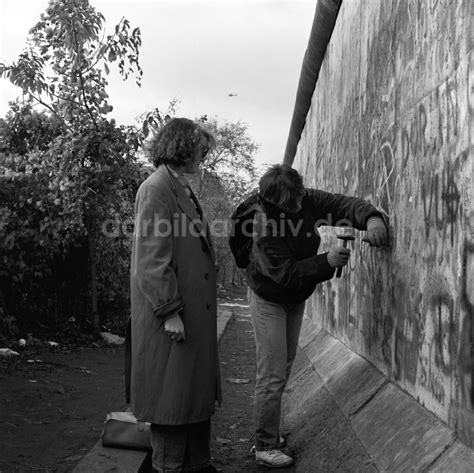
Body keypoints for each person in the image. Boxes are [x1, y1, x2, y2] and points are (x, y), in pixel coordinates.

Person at [245, 164, 388, 468]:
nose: (299, 206)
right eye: (291, 204)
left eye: (299, 199)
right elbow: (285, 273)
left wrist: (373, 218)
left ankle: (268, 431)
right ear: (273, 202)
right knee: (271, 374)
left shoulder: (302, 197)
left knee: (282, 366)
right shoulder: (264, 225)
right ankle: (264, 445)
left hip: (295, 297)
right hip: (268, 297)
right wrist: (327, 261)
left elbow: (341, 205)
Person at [130, 118, 221, 473]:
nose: (203, 155)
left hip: (189, 317)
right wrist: (169, 311)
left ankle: (197, 465)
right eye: (200, 148)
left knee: (190, 398)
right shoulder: (156, 188)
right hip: (172, 319)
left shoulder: (176, 186)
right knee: (172, 400)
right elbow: (151, 260)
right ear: (182, 147)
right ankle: (168, 468)